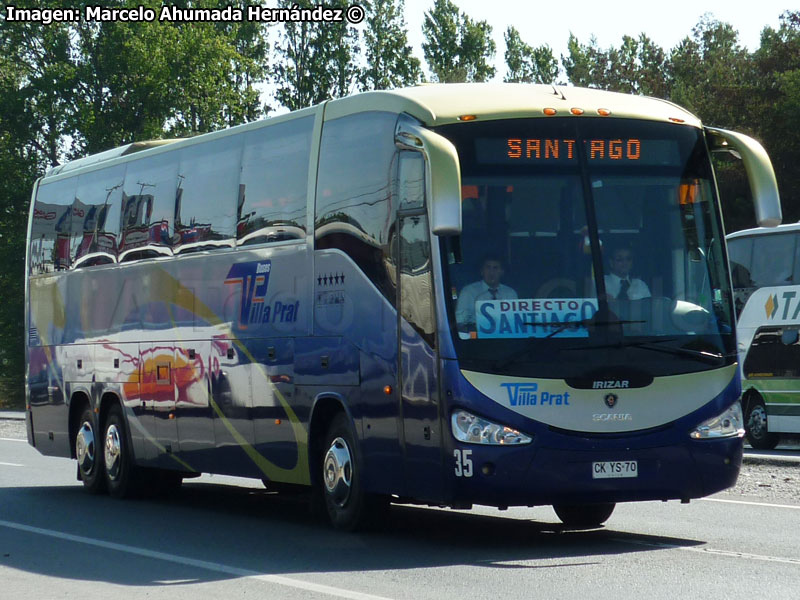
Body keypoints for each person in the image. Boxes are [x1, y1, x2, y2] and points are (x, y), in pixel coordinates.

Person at [456, 255, 518, 329]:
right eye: (488, 267)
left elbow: (516, 320)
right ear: (482, 271)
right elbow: (460, 321)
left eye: (495, 268)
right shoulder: (468, 291)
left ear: (502, 272)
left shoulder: (510, 293)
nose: (491, 272)